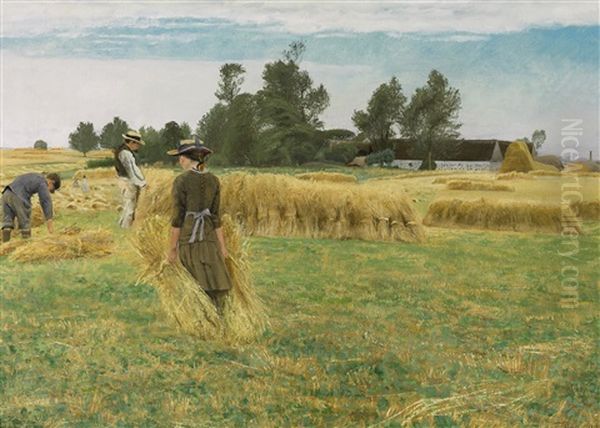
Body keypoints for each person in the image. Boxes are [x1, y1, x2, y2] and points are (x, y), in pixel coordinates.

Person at [166, 138, 232, 311]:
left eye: (181, 156)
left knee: (194, 277)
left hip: (190, 235)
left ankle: (200, 314)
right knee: (212, 275)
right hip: (209, 235)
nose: (179, 160)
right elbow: (216, 216)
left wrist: (172, 248)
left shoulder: (181, 180)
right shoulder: (214, 180)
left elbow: (177, 217)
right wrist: (222, 247)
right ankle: (216, 311)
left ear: (185, 158)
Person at [1, 172, 61, 242]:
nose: (49, 191)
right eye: (51, 189)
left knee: (7, 222)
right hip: (18, 196)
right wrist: (49, 223)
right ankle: (27, 245)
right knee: (25, 222)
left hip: (6, 193)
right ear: (51, 182)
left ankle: (5, 246)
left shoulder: (33, 176)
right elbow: (45, 201)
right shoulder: (42, 181)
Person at [114, 130, 146, 228]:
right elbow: (132, 170)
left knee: (128, 206)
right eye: (138, 144)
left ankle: (122, 227)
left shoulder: (122, 150)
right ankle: (126, 228)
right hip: (127, 182)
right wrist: (143, 182)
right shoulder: (125, 153)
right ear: (132, 142)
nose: (138, 146)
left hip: (124, 180)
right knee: (130, 207)